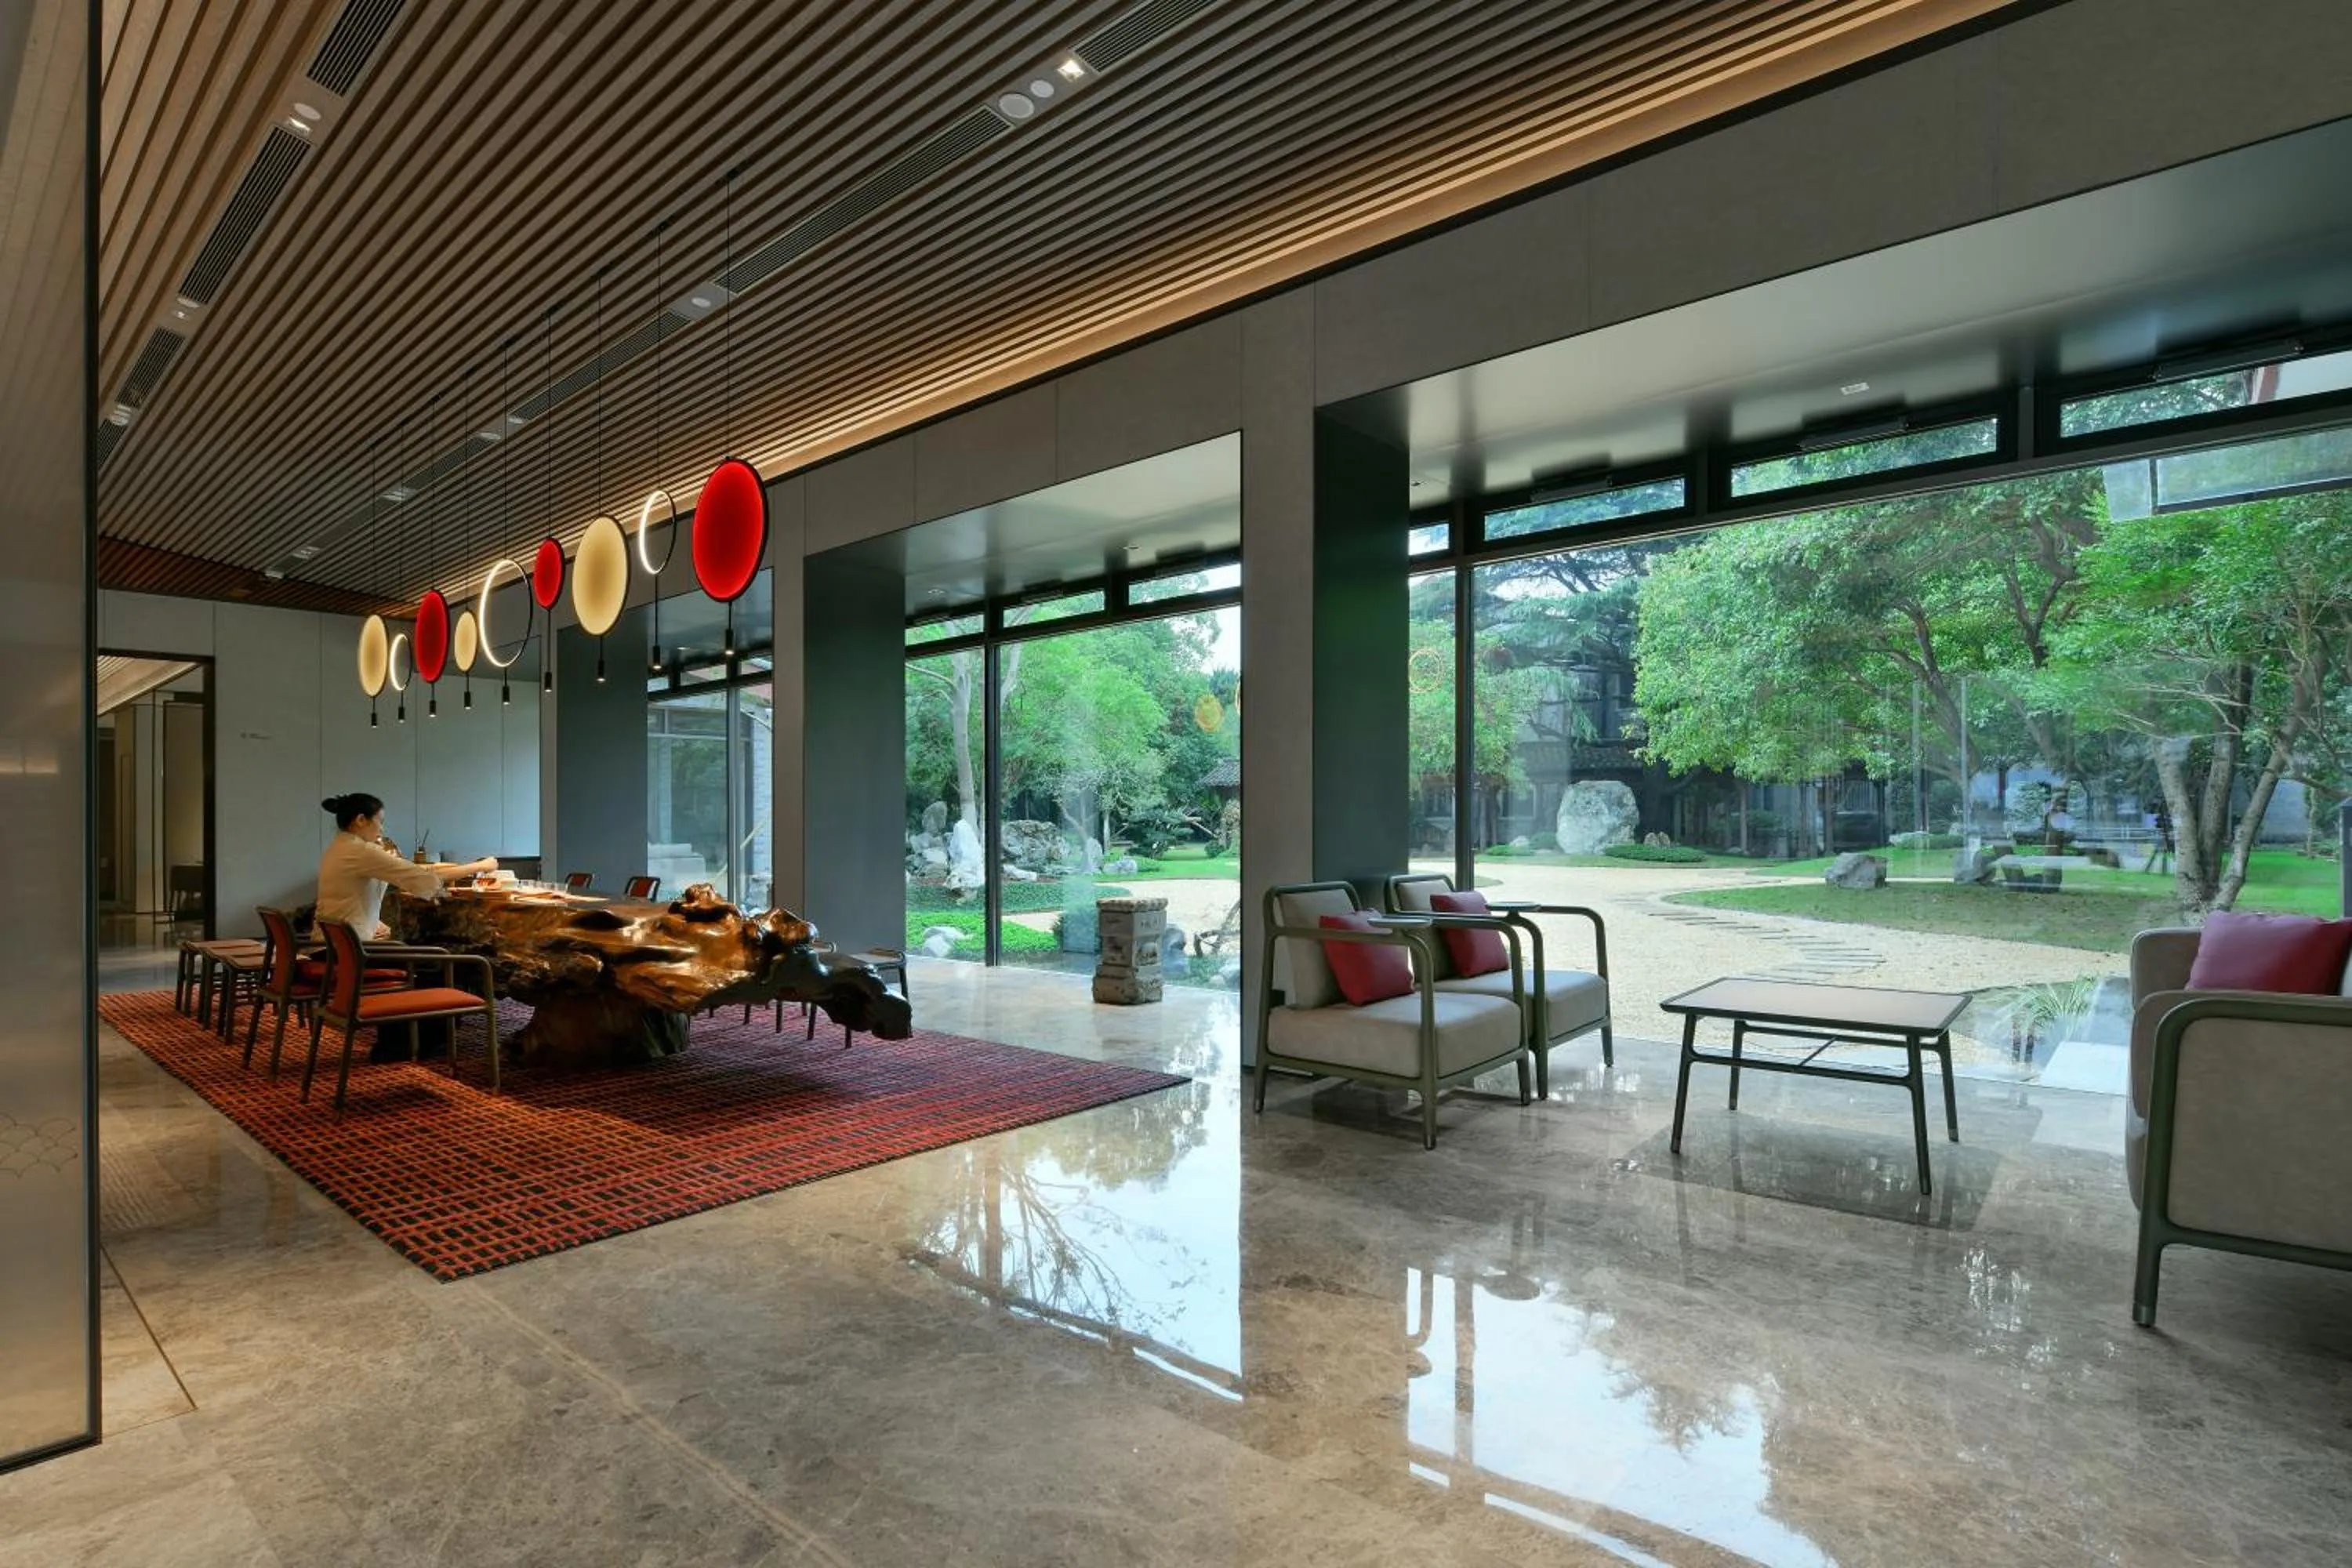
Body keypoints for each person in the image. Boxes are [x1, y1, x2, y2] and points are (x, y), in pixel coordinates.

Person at [315, 793, 499, 939]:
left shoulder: (340, 847)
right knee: (435, 958)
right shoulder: (361, 851)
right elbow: (421, 875)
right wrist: (480, 866)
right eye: (381, 821)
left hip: (330, 945)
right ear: (361, 820)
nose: (382, 829)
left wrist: (372, 922)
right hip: (348, 953)